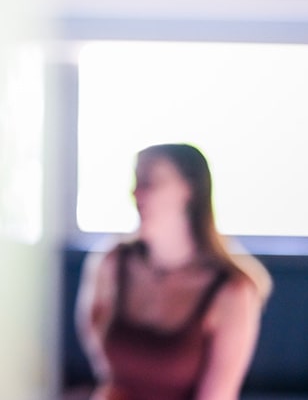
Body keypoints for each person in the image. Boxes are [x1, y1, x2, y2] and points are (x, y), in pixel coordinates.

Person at [76, 143, 271, 400]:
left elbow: (217, 395)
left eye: (150, 182)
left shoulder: (233, 290)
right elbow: (98, 349)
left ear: (188, 190)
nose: (137, 193)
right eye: (136, 181)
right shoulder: (111, 264)